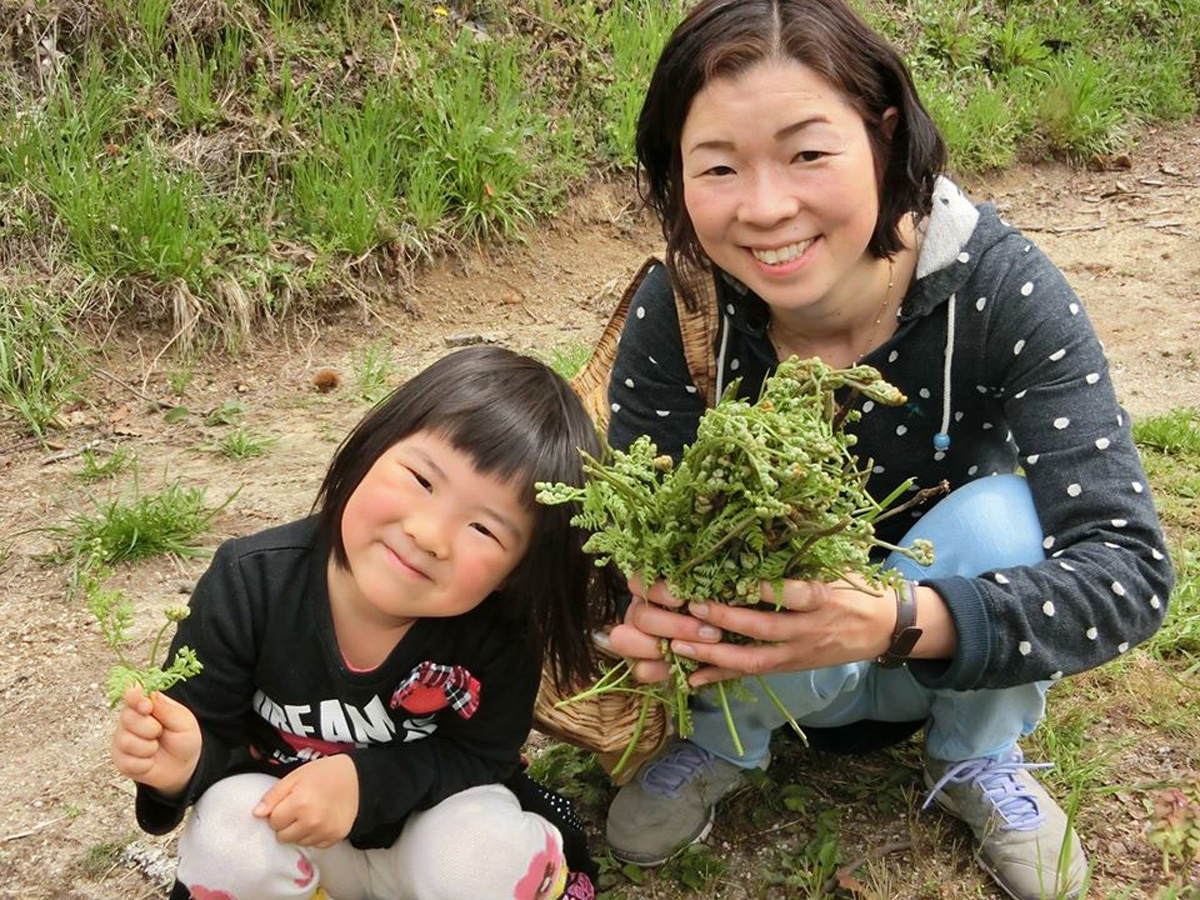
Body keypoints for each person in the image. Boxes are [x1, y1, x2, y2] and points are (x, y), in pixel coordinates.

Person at [600, 2, 1175, 898]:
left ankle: (977, 750)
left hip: (941, 651)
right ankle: (719, 739)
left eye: (807, 153)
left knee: (1004, 514)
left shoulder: (1001, 290)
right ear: (676, 175)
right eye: (717, 165)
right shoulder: (681, 312)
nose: (765, 207)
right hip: (755, 662)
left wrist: (893, 619)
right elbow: (622, 534)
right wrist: (641, 609)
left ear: (884, 134)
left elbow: (1129, 573)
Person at [109, 346, 608, 900]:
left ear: (515, 574)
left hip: (424, 847)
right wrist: (184, 765)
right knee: (229, 832)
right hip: (302, 851)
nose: (428, 534)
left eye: (485, 530)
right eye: (422, 479)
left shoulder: (502, 630)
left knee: (482, 854)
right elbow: (213, 738)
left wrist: (364, 784)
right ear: (372, 446)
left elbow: (481, 756)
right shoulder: (250, 585)